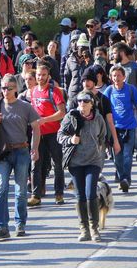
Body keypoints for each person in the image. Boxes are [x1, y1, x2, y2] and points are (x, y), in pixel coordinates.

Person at [0, 74, 40, 240]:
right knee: (1, 188)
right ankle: (1, 226)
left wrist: (35, 148)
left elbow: (36, 127)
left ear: (16, 89)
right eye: (3, 88)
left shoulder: (25, 107)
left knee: (20, 191)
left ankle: (20, 224)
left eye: (9, 88)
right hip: (2, 153)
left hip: (21, 151)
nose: (5, 91)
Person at [57, 90, 106, 242]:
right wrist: (71, 140)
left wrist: (99, 152)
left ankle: (94, 228)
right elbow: (60, 136)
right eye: (79, 101)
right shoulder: (70, 117)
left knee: (91, 193)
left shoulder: (98, 118)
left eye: (85, 101)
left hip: (93, 161)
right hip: (76, 162)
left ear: (92, 104)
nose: (82, 104)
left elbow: (103, 137)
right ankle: (83, 228)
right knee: (80, 196)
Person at [28, 64, 66, 206]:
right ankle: (36, 195)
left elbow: (62, 112)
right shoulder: (32, 91)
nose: (41, 77)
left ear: (48, 76)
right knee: (35, 163)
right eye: (38, 75)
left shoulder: (54, 91)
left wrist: (45, 120)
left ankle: (59, 194)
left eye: (44, 75)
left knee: (57, 164)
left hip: (53, 133)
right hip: (37, 133)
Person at [103, 65, 137, 192]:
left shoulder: (130, 89)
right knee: (117, 156)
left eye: (119, 75)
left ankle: (126, 180)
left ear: (124, 77)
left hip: (130, 126)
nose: (116, 78)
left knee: (127, 155)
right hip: (115, 128)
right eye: (114, 76)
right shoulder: (108, 91)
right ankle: (121, 177)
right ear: (111, 77)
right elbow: (104, 109)